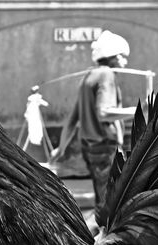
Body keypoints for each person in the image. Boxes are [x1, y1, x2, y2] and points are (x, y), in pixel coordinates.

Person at [50, 30, 136, 230]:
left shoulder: (88, 77)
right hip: (104, 147)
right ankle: (100, 235)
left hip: (90, 148)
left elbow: (72, 119)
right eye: (122, 56)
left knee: (102, 194)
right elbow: (104, 113)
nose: (125, 61)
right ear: (112, 57)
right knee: (109, 198)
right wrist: (139, 111)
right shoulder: (106, 75)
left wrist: (60, 149)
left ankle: (98, 230)